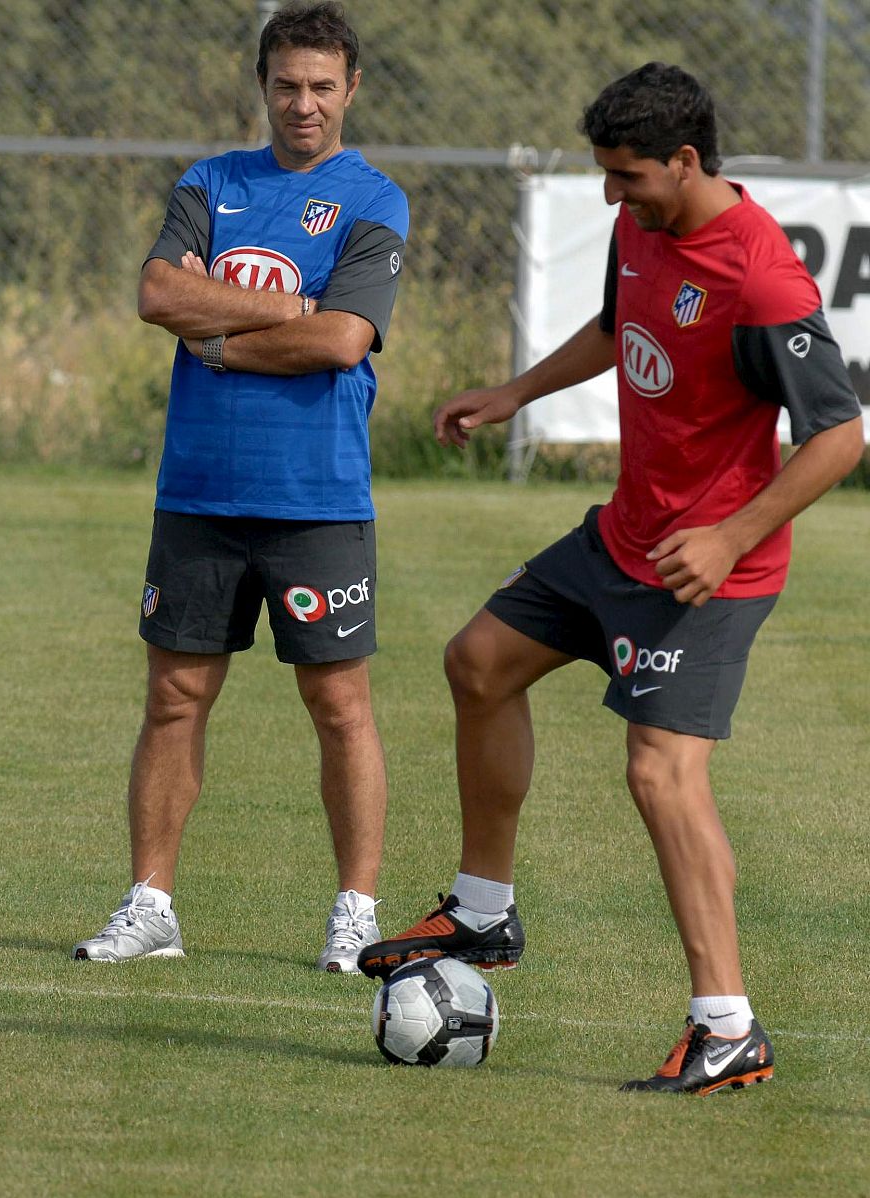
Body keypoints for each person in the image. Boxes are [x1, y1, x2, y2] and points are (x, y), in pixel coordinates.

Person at [358, 63, 864, 1093]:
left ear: (684, 160)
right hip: (620, 539)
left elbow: (838, 434)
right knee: (478, 663)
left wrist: (729, 535)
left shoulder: (761, 275)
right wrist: (512, 393)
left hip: (706, 571)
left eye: (625, 177)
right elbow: (613, 329)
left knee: (659, 771)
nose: (608, 197)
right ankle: (483, 912)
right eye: (601, 175)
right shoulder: (644, 228)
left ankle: (726, 1028)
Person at [71, 1, 409, 972]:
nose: (302, 104)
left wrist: (218, 336)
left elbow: (344, 337)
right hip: (199, 491)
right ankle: (149, 905)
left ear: (350, 90)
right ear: (262, 86)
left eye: (320, 86)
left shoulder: (373, 199)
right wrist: (281, 310)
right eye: (285, 85)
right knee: (174, 697)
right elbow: (153, 294)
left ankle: (354, 913)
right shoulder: (208, 183)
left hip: (318, 496)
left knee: (339, 706)